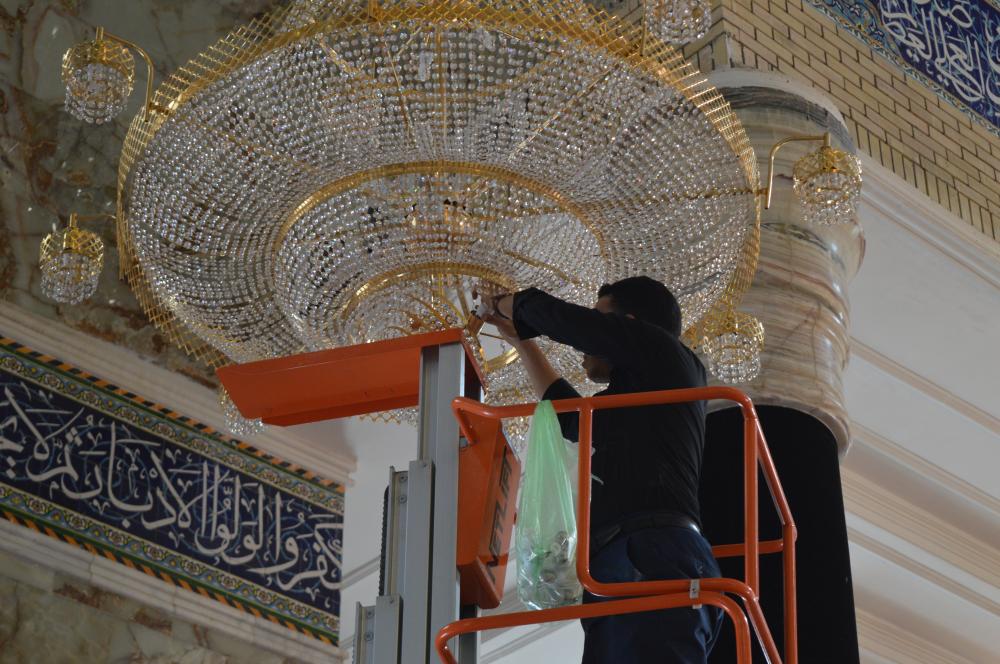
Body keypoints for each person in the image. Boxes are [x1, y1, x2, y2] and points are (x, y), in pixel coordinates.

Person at [483, 276, 723, 664]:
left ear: (629, 323)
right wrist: (520, 340)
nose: (582, 348)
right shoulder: (645, 399)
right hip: (638, 562)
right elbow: (572, 418)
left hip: (652, 557)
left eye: (601, 321)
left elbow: (581, 328)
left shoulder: (667, 354)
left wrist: (511, 303)